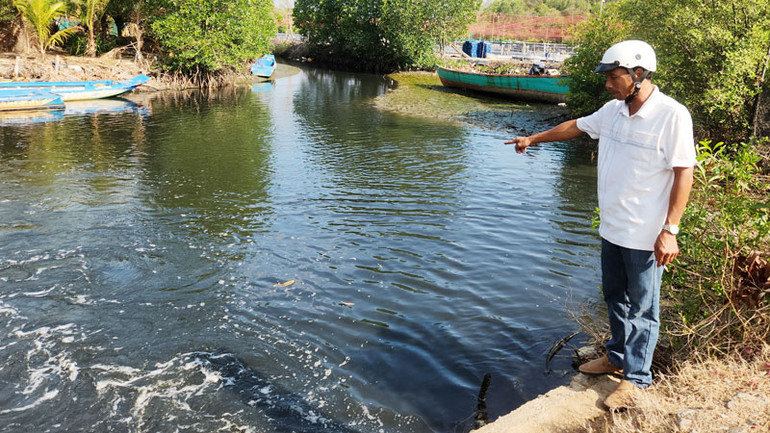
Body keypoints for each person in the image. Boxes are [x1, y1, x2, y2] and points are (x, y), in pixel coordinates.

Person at [504, 40, 696, 409]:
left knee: (643, 308)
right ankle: (617, 356)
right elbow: (574, 126)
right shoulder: (613, 111)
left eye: (614, 77)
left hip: (646, 236)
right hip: (612, 229)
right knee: (614, 298)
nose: (608, 84)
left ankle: (637, 380)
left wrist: (670, 230)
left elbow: (683, 173)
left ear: (638, 74)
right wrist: (533, 138)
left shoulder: (671, 115)